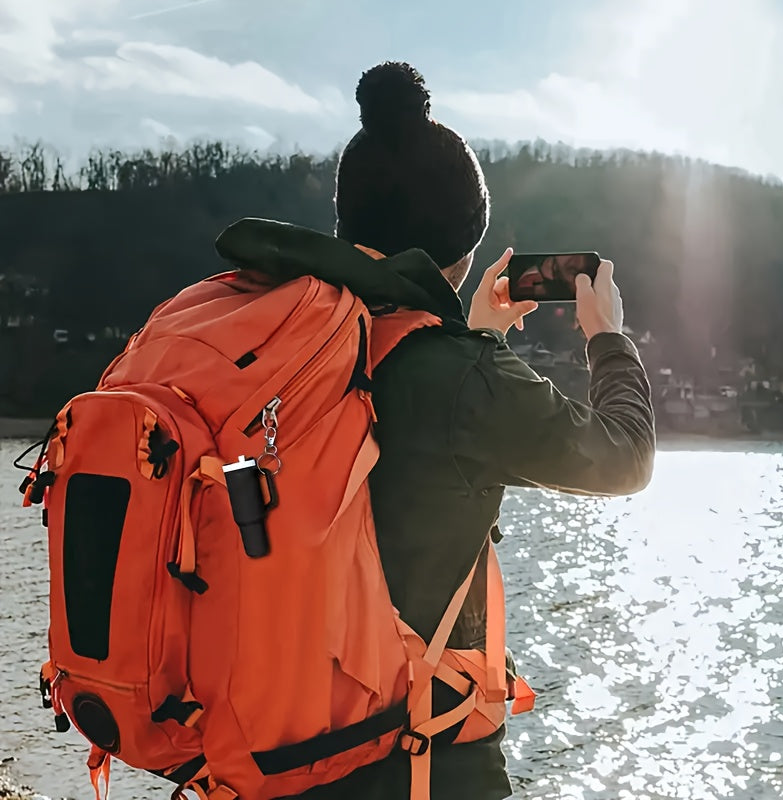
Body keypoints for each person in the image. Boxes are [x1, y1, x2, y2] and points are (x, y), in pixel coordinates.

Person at [222, 62, 655, 800]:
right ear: (461, 250)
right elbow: (624, 458)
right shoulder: (461, 379)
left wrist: (478, 336)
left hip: (268, 753)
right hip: (416, 764)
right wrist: (606, 338)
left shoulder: (276, 345)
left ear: (348, 228)